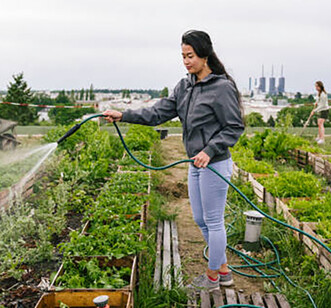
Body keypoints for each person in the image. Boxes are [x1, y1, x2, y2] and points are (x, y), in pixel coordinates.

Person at [103, 30, 245, 292]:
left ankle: (212, 279)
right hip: (195, 163)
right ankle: (224, 272)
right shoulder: (185, 86)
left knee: (214, 221)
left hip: (214, 163)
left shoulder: (221, 87)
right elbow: (158, 112)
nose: (186, 61)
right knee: (201, 220)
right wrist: (124, 115)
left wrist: (210, 150)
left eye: (190, 56)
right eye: (183, 56)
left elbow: (234, 127)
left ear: (204, 54)